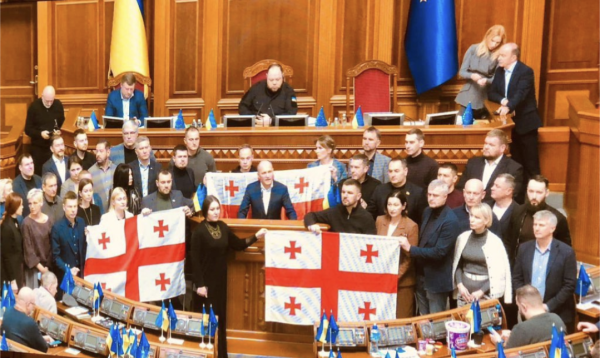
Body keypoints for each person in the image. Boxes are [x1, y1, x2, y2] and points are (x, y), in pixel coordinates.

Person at [191, 195, 267, 358]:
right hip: (205, 284)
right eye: (212, 209)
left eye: (217, 208)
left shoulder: (223, 227)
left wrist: (256, 236)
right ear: (205, 211)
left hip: (221, 281)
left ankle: (220, 354)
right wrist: (200, 285)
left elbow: (238, 245)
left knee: (220, 318)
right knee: (207, 319)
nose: (216, 212)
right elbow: (194, 260)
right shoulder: (199, 232)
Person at [399, 180, 460, 314]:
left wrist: (410, 249)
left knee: (436, 322)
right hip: (421, 275)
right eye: (429, 194)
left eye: (435, 195)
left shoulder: (450, 220)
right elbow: (424, 240)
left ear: (445, 196)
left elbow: (439, 252)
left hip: (436, 279)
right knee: (423, 320)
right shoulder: (427, 211)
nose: (431, 198)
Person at [512, 210, 577, 332]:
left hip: (557, 313)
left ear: (552, 228)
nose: (536, 228)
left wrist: (547, 306)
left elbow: (569, 285)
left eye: (541, 225)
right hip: (528, 311)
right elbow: (517, 278)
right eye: (535, 224)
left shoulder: (566, 252)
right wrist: (524, 300)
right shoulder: (524, 248)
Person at [488, 43, 542, 183]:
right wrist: (503, 100)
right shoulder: (499, 71)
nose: (499, 58)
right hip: (509, 126)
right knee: (516, 164)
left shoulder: (525, 71)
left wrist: (508, 106)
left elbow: (521, 94)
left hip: (526, 123)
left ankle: (535, 197)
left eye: (503, 55)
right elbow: (492, 93)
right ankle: (518, 198)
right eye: (499, 55)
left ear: (513, 57)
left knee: (531, 164)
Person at [451, 203, 511, 306]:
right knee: (463, 321)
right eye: (471, 215)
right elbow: (458, 265)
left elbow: (497, 273)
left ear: (486, 220)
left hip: (485, 295)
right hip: (464, 293)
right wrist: (460, 285)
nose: (472, 219)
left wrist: (481, 291)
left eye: (477, 217)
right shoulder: (462, 238)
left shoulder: (495, 242)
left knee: (482, 321)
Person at [506, 175, 571, 260]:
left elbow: (565, 250)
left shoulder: (557, 217)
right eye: (531, 191)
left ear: (547, 193)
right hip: (519, 265)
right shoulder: (517, 211)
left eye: (539, 192)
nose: (534, 196)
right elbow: (508, 241)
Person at [376, 190, 418, 318]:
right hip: (381, 277)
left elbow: (410, 257)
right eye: (389, 204)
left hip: (402, 281)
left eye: (396, 205)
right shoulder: (379, 220)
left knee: (401, 317)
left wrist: (394, 276)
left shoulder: (411, 226)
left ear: (403, 206)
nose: (392, 208)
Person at [456, 129, 524, 203]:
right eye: (485, 143)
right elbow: (461, 188)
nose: (486, 147)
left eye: (491, 145)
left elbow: (511, 196)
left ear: (502, 148)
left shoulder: (513, 168)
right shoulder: (473, 163)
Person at [491, 285, 566, 349]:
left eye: (518, 306)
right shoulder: (557, 319)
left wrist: (498, 342)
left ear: (524, 306)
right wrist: (514, 335)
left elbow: (506, 355)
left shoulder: (521, 329)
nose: (519, 310)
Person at [455, 25, 506, 117]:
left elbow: (498, 79)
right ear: (487, 37)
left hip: (487, 93)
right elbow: (462, 72)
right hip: (470, 92)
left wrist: (486, 80)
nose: (494, 44)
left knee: (485, 125)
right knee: (462, 122)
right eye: (492, 41)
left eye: (497, 42)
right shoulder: (473, 49)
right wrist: (472, 76)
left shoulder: (500, 55)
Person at [367, 158, 426, 225]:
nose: (393, 174)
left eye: (396, 171)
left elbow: (421, 220)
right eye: (390, 171)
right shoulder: (380, 190)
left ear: (405, 171)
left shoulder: (417, 193)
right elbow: (370, 215)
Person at [305, 179, 376, 234]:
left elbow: (371, 243)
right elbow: (310, 215)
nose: (345, 196)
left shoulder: (367, 218)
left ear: (358, 196)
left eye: (349, 193)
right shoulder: (334, 212)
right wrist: (312, 225)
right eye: (343, 192)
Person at [25, 85, 65, 176]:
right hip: (39, 147)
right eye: (47, 101)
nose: (49, 103)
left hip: (54, 146)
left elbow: (62, 124)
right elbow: (28, 129)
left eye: (52, 101)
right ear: (42, 96)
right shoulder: (34, 107)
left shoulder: (58, 105)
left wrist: (59, 131)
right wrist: (40, 134)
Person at [1, 287, 51, 352]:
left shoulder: (7, 312)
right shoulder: (29, 322)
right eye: (33, 304)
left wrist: (41, 338)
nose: (33, 308)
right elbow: (44, 348)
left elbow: (20, 336)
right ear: (28, 304)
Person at [51, 191, 87, 281]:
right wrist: (68, 270)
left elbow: (84, 247)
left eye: (75, 206)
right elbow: (56, 256)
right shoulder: (57, 227)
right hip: (65, 275)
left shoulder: (81, 223)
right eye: (70, 207)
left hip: (82, 274)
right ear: (64, 207)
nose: (73, 210)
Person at [21, 189, 53, 289]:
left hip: (48, 266)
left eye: (35, 203)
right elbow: (28, 250)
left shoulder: (48, 220)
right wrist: (41, 269)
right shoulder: (26, 223)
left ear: (41, 203)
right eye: (30, 203)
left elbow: (53, 245)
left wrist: (47, 266)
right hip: (34, 269)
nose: (32, 206)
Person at [0, 193, 25, 290]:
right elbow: (6, 256)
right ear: (15, 207)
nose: (23, 207)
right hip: (9, 275)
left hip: (16, 268)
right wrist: (13, 280)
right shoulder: (6, 227)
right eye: (21, 205)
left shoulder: (15, 222)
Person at [489, 174, 518, 252]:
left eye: (497, 186)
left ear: (508, 191)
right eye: (493, 185)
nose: (492, 188)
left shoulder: (518, 212)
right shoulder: (486, 207)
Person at [89, 140, 117, 213]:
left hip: (114, 212)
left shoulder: (116, 169)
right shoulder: (90, 172)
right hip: (98, 213)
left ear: (108, 152)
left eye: (101, 151)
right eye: (96, 151)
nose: (98, 154)